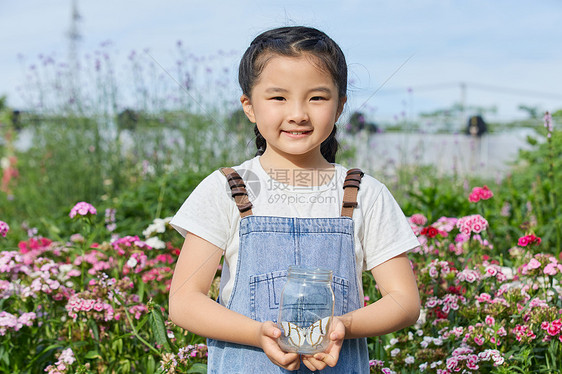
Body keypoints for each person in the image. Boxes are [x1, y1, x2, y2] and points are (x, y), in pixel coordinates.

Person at [168, 26, 421, 373]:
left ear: (340, 105)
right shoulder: (226, 189)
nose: (298, 113)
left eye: (317, 97)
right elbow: (184, 301)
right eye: (278, 98)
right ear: (249, 106)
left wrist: (343, 326)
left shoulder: (364, 194)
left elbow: (404, 301)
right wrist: (258, 333)